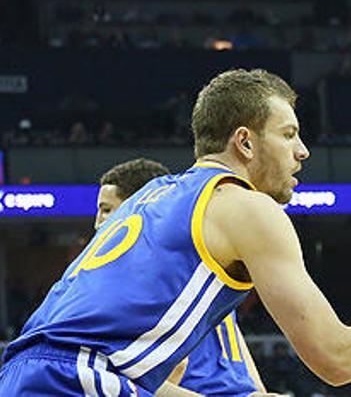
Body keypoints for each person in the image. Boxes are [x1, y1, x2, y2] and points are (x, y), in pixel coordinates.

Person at [0, 69, 351, 396]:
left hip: (31, 373)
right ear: (245, 143)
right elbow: (336, 359)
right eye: (290, 134)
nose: (303, 151)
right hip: (73, 379)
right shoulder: (245, 208)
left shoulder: (152, 198)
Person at [95, 158, 275, 396]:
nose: (98, 223)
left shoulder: (136, 282)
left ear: (139, 205)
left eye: (107, 209)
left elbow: (141, 381)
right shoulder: (205, 262)